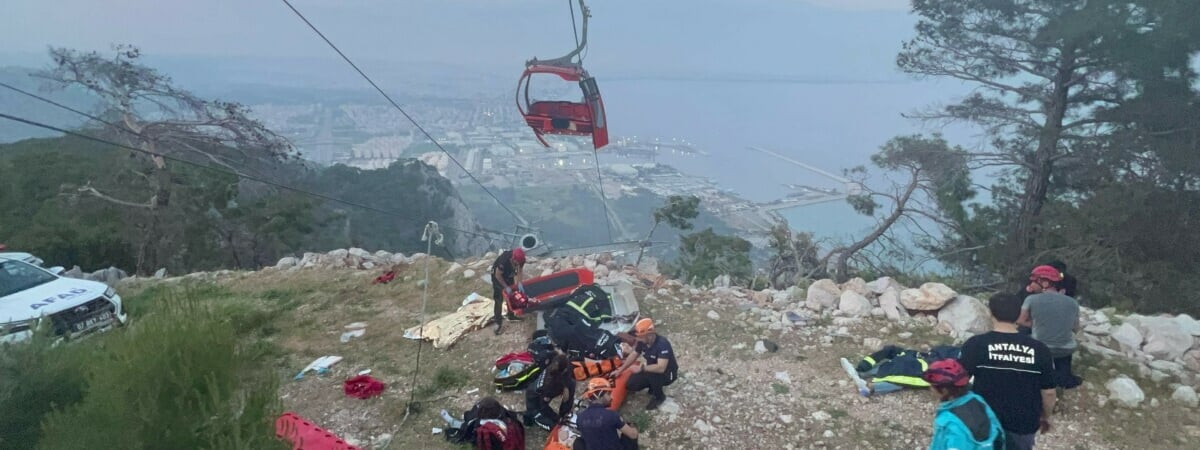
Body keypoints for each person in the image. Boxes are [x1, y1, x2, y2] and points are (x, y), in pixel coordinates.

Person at [960, 293, 1057, 450]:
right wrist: (1045, 416)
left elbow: (959, 384)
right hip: (1023, 423)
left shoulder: (975, 345)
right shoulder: (1040, 349)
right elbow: (1049, 392)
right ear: (1019, 314)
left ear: (990, 313)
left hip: (984, 421)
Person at [1018, 265, 1082, 391]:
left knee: (1022, 334)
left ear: (1045, 283)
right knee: (1063, 347)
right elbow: (1075, 328)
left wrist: (1036, 324)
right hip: (1066, 349)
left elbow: (1020, 320)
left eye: (1034, 281)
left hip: (1041, 348)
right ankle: (1064, 378)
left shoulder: (1031, 299)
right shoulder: (1072, 302)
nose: (1031, 284)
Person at [923, 359, 1005, 450]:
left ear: (944, 391)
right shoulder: (977, 400)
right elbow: (998, 433)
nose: (930, 389)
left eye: (932, 386)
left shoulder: (951, 423)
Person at [840, 344, 961, 397]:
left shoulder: (948, 353)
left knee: (893, 368)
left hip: (916, 359)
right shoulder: (956, 359)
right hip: (921, 366)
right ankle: (869, 385)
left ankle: (862, 375)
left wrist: (864, 364)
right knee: (903, 379)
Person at [609, 318, 677, 410]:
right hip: (650, 369)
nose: (638, 339)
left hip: (668, 374)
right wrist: (620, 370)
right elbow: (634, 354)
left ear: (649, 335)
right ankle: (653, 386)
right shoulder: (643, 342)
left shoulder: (662, 344)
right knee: (632, 384)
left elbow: (661, 368)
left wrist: (641, 368)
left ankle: (659, 397)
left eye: (640, 336)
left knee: (652, 373)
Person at [440, 397, 526, 450]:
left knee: (468, 421)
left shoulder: (482, 424)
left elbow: (469, 431)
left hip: (495, 442)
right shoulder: (504, 413)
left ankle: (453, 422)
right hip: (509, 443)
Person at [576, 378, 639, 450]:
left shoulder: (580, 418)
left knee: (578, 442)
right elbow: (633, 435)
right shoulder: (611, 415)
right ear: (599, 395)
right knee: (630, 428)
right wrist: (634, 428)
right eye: (608, 394)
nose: (611, 397)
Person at [524, 353, 577, 431]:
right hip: (535, 401)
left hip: (551, 387)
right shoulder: (548, 385)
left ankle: (564, 414)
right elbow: (543, 406)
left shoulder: (558, 362)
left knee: (571, 384)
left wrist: (566, 387)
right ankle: (532, 417)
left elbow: (568, 375)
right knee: (554, 428)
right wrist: (557, 418)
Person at [491, 248, 527, 335]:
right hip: (498, 278)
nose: (518, 264)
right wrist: (506, 287)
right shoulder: (503, 261)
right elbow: (498, 275)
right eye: (516, 263)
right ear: (513, 259)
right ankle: (498, 322)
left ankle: (511, 315)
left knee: (511, 295)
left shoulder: (521, 259)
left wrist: (519, 283)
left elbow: (519, 271)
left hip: (509, 275)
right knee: (499, 298)